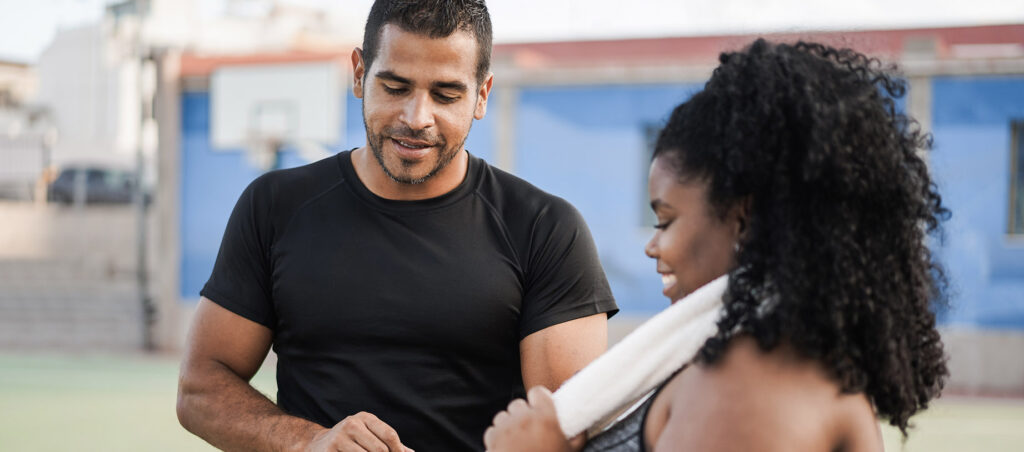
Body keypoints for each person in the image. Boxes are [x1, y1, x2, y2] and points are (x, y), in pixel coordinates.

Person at [176, 1, 618, 451]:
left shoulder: (546, 229)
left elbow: (569, 432)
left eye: (446, 95)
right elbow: (201, 388)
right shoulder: (273, 207)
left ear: (482, 94)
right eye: (395, 87)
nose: (416, 118)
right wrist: (309, 442)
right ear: (358, 73)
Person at [483, 38, 949, 452]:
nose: (652, 246)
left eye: (666, 219)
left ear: (744, 220)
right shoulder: (773, 357)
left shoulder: (753, 383)